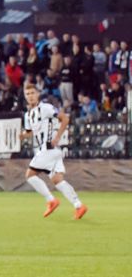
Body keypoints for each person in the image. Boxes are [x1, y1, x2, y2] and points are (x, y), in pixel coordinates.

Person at [20, 84, 88, 220]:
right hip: (52, 152)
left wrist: (57, 137)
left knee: (30, 175)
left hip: (48, 149)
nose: (30, 96)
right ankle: (79, 206)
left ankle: (51, 200)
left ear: (38, 94)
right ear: (25, 96)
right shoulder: (28, 115)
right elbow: (30, 132)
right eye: (27, 94)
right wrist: (22, 136)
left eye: (32, 93)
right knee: (57, 180)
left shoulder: (46, 108)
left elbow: (65, 118)